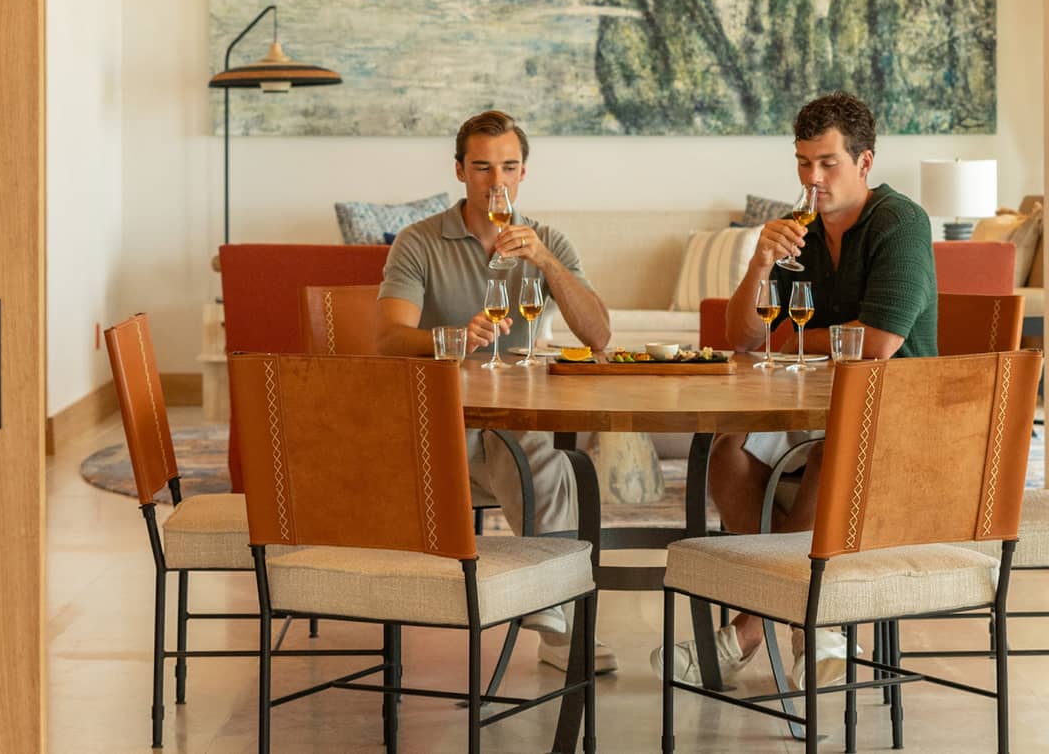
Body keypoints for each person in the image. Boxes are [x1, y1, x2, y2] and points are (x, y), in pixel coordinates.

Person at [655, 90, 937, 692]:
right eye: (803, 162)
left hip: (893, 419)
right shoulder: (799, 231)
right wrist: (758, 263)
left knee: (833, 451)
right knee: (724, 446)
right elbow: (744, 339)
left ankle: (751, 629)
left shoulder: (899, 222)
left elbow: (880, 342)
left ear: (864, 163)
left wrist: (794, 346)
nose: (813, 178)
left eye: (828, 163)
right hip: (816, 406)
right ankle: (816, 628)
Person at [376, 108, 615, 672]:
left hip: (515, 417)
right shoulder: (419, 241)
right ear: (460, 171)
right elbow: (387, 339)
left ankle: (551, 621)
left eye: (509, 168)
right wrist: (450, 338)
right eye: (483, 168)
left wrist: (546, 261)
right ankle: (555, 615)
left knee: (539, 452)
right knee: (538, 458)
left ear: (524, 173)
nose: (497, 182)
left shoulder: (547, 239)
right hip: (443, 429)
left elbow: (600, 335)